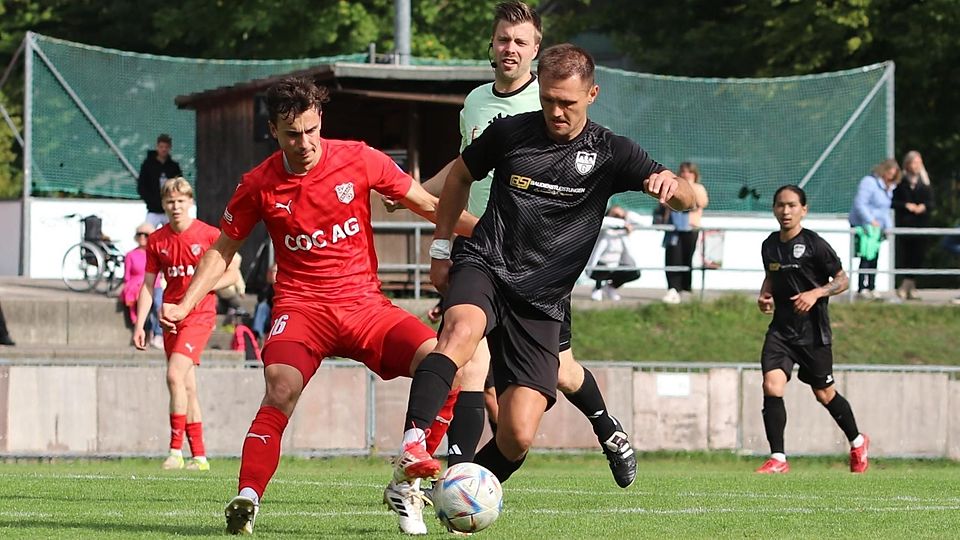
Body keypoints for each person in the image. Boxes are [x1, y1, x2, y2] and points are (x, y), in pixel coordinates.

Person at [160, 76, 477, 535]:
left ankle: (406, 477)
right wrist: (187, 301)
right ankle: (247, 498)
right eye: (292, 134)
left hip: (364, 307)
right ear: (274, 131)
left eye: (311, 130)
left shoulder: (358, 158)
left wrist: (488, 235)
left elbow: (428, 204)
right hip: (302, 309)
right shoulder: (257, 184)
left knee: (447, 364)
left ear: (320, 120)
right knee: (280, 387)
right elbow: (222, 249)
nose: (305, 142)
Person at [393, 44, 694, 497]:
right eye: (549, 99)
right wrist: (440, 249)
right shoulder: (510, 133)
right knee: (458, 335)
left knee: (517, 435)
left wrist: (675, 191)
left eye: (568, 103)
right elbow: (458, 177)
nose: (556, 111)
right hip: (487, 264)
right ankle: (414, 445)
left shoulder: (611, 151)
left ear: (592, 94)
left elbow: (692, 198)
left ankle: (458, 493)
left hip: (542, 300)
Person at [756, 185, 869, 474]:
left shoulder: (815, 244)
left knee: (824, 393)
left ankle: (857, 441)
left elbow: (842, 279)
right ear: (774, 209)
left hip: (813, 334)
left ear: (803, 210)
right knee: (772, 385)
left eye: (792, 205)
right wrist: (765, 295)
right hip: (781, 331)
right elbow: (772, 275)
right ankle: (778, 459)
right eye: (780, 205)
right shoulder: (769, 244)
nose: (786, 211)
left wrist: (816, 294)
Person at [133, 177, 239, 472]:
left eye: (181, 201)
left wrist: (204, 289)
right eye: (170, 201)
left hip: (199, 316)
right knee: (186, 386)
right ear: (163, 205)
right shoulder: (157, 240)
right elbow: (148, 284)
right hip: (170, 318)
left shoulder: (207, 234)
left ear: (190, 202)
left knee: (173, 375)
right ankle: (200, 456)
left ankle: (175, 451)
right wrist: (141, 324)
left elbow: (233, 272)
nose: (175, 206)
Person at [849, 159, 901, 299]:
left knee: (875, 257)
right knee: (865, 256)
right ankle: (862, 288)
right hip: (864, 226)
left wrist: (888, 228)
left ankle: (872, 286)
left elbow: (885, 210)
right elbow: (860, 203)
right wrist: (870, 221)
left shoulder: (888, 188)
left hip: (878, 229)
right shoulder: (869, 182)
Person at [661, 161, 708, 304]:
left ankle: (684, 287)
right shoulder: (674, 185)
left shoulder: (698, 188)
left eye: (689, 172)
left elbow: (702, 202)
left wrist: (689, 188)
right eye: (683, 171)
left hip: (690, 228)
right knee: (673, 256)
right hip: (674, 229)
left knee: (686, 258)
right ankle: (673, 288)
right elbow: (665, 202)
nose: (685, 174)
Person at [892, 150, 934, 300]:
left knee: (918, 256)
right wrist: (906, 206)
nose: (916, 166)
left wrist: (923, 207)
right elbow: (894, 202)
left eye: (918, 162)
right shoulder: (901, 183)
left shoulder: (925, 183)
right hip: (905, 224)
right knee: (906, 255)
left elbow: (931, 203)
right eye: (913, 162)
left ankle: (909, 285)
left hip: (921, 225)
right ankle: (906, 285)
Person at [122, 223, 164, 349]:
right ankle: (145, 332)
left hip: (155, 284)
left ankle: (158, 334)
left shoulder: (156, 254)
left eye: (146, 235)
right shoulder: (130, 255)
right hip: (136, 286)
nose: (142, 237)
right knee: (142, 307)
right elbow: (126, 276)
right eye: (140, 234)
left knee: (158, 304)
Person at [587, 205, 641, 301]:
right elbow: (604, 221)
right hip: (599, 265)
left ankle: (611, 287)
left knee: (634, 273)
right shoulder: (603, 228)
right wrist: (623, 223)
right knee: (602, 268)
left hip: (615, 265)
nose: (618, 217)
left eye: (621, 215)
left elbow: (642, 222)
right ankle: (598, 288)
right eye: (615, 215)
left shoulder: (623, 231)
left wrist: (627, 214)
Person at [137, 134, 183, 227]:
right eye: (161, 147)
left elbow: (179, 185)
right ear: (157, 147)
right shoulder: (148, 165)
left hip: (169, 210)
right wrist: (151, 201)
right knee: (148, 234)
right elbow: (142, 186)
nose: (163, 149)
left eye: (166, 147)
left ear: (170, 148)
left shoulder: (174, 167)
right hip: (153, 210)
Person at [252, 263, 277, 340]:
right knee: (261, 306)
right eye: (270, 272)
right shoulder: (266, 287)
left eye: (274, 271)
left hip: (278, 316)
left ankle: (258, 334)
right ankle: (258, 334)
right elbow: (260, 299)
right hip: (267, 316)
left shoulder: (282, 287)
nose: (271, 274)